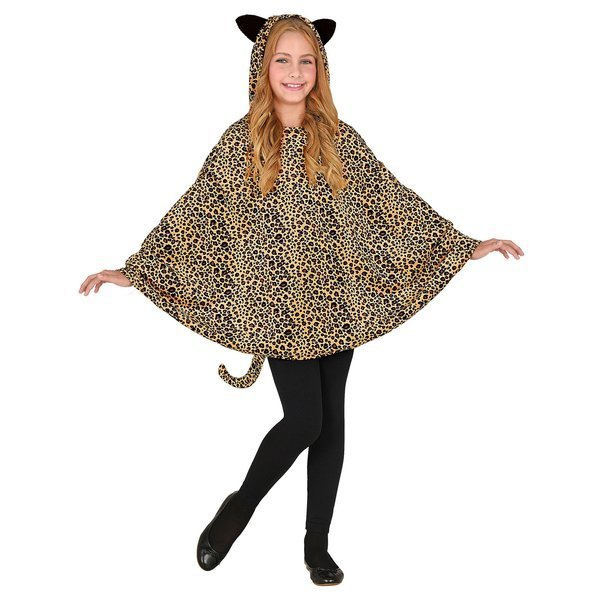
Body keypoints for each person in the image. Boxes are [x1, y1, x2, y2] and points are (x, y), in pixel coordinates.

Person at [79, 13, 524, 586]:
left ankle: (317, 545)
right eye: (282, 60)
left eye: (306, 60)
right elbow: (197, 215)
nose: (295, 72)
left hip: (339, 302)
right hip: (278, 308)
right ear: (262, 67)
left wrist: (461, 246)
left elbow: (392, 204)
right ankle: (239, 508)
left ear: (321, 67)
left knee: (331, 422)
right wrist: (137, 270)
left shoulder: (339, 140)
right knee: (304, 420)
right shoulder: (241, 144)